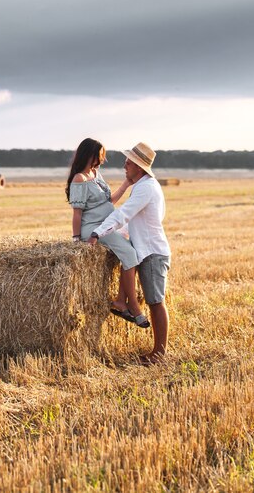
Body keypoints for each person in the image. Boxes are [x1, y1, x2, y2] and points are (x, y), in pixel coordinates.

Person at [88, 142, 171, 365]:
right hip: (148, 250)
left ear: (138, 166)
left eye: (128, 163)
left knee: (155, 302)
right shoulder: (146, 186)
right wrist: (114, 236)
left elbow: (124, 214)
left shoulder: (146, 188)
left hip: (153, 253)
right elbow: (134, 221)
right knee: (154, 301)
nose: (124, 166)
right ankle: (124, 304)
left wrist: (97, 232)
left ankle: (159, 354)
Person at [66, 138, 150, 328]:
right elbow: (77, 213)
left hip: (107, 224)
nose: (103, 160)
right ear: (91, 155)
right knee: (130, 254)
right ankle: (134, 307)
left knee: (131, 251)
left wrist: (126, 184)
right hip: (94, 228)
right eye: (101, 155)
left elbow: (109, 201)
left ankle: (121, 300)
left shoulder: (96, 173)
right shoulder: (79, 178)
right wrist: (77, 240)